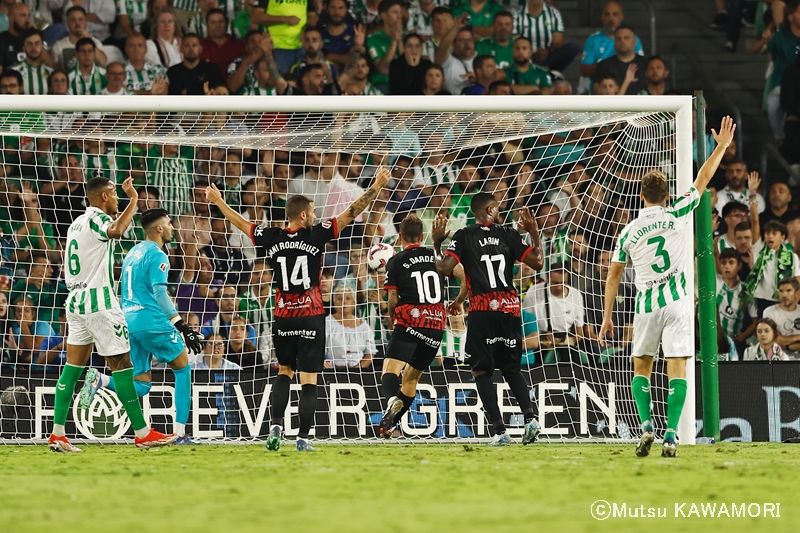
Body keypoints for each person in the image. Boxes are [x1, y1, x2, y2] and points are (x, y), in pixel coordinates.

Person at [205, 166, 391, 452]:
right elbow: (352, 211)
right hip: (311, 316)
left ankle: (276, 425)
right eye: (313, 212)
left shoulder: (272, 237)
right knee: (309, 380)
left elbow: (241, 223)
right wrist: (376, 186)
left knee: (284, 371)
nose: (316, 215)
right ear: (303, 215)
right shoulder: (317, 234)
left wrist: (218, 201)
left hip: (283, 316)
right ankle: (303, 438)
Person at [599, 115, 737, 458]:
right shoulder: (678, 211)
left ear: (641, 195)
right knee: (677, 370)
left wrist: (607, 317)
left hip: (646, 305)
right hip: (677, 304)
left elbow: (613, 276)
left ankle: (647, 426)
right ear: (666, 195)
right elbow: (703, 178)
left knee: (641, 368)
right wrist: (720, 146)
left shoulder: (628, 232)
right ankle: (672, 435)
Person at [47, 177, 177, 452]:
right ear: (104, 196)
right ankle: (142, 433)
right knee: (123, 367)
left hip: (75, 301)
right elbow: (116, 230)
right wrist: (134, 201)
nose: (118, 199)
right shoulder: (97, 219)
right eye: (115, 194)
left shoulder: (75, 224)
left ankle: (57, 434)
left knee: (72, 369)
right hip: (99, 304)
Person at [80, 207, 204, 444]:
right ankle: (179, 434)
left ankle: (100, 380)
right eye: (169, 223)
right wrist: (181, 326)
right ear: (159, 228)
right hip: (151, 320)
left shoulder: (133, 253)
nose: (173, 227)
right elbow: (159, 293)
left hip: (128, 320)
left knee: (141, 384)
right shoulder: (158, 255)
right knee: (182, 368)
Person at [432, 193, 545, 446]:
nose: (500, 212)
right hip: (509, 308)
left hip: (482, 309)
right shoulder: (509, 234)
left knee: (481, 370)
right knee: (511, 369)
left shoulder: (464, 235)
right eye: (498, 208)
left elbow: (443, 268)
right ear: (491, 209)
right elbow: (537, 263)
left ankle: (499, 431)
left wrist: (437, 243)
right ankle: (530, 420)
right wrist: (534, 232)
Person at [379, 215, 466, 437]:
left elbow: (392, 299)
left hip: (410, 321)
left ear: (400, 236)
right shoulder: (438, 257)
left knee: (390, 370)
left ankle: (391, 402)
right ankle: (390, 426)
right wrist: (458, 301)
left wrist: (394, 322)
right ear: (422, 236)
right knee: (411, 379)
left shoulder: (396, 261)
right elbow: (464, 276)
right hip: (436, 326)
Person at [579, 1, 643, 94]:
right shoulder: (593, 40)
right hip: (602, 92)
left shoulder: (633, 39)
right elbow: (584, 70)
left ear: (621, 17)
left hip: (631, 90)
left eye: (615, 14)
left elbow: (640, 65)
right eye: (607, 14)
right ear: (602, 17)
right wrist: (607, 64)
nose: (611, 18)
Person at [742, 220, 800, 317]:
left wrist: (795, 302)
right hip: (763, 302)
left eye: (774, 233)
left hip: (784, 301)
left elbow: (797, 280)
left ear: (782, 237)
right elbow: (755, 222)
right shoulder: (759, 251)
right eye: (767, 233)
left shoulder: (792, 257)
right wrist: (753, 208)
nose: (770, 236)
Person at [513, 0, 579, 73]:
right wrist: (531, 55)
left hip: (548, 57)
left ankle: (541, 69)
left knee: (572, 47)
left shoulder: (554, 13)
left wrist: (546, 52)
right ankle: (546, 72)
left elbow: (558, 42)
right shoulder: (516, 15)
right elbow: (516, 43)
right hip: (526, 57)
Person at [715, 248, 757, 355]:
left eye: (731, 262)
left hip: (734, 342)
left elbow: (755, 321)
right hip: (713, 338)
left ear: (739, 265)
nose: (727, 266)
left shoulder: (746, 290)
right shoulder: (714, 282)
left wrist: (740, 338)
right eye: (723, 263)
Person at [324, 286, 377, 369]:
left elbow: (370, 353)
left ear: (354, 302)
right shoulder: (327, 323)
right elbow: (320, 350)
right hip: (332, 370)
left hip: (358, 371)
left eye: (348, 298)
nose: (344, 302)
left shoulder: (364, 326)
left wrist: (359, 368)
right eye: (340, 299)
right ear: (334, 303)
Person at [592, 24, 648, 95]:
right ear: (614, 42)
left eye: (626, 38)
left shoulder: (647, 64)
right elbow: (597, 92)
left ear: (634, 42)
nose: (622, 41)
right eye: (618, 38)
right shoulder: (604, 65)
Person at [51, 6, 107, 71]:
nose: (77, 23)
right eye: (73, 20)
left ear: (86, 22)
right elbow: (55, 70)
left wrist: (88, 40)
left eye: (81, 19)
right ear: (67, 23)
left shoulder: (96, 43)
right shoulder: (58, 46)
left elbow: (103, 62)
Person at [199, 8, 246, 83]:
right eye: (213, 22)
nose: (218, 25)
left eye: (221, 21)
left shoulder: (239, 45)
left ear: (226, 23)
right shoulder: (200, 46)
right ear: (207, 25)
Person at [763, 277, 800, 359]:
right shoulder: (769, 312)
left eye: (789, 290)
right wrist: (798, 337)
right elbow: (774, 339)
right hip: (777, 360)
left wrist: (788, 347)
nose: (784, 295)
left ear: (797, 293)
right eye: (781, 291)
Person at [10, 29, 53, 95]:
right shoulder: (13, 71)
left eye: (37, 43)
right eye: (29, 44)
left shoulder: (51, 73)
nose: (34, 47)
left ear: (42, 46)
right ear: (23, 48)